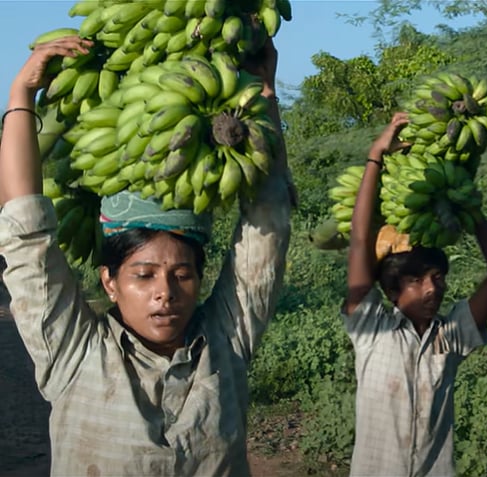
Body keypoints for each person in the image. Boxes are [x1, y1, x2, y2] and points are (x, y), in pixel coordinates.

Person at [0, 35, 295, 475]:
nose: (165, 293)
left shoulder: (226, 343)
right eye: (143, 275)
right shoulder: (74, 354)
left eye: (181, 274)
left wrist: (262, 94)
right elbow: (27, 234)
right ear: (109, 281)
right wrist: (21, 95)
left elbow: (268, 225)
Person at [342, 112, 487, 476]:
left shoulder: (450, 337)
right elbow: (359, 241)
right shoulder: (372, 331)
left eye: (437, 277)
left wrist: (472, 210)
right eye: (417, 280)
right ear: (390, 290)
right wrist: (376, 156)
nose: (432, 288)